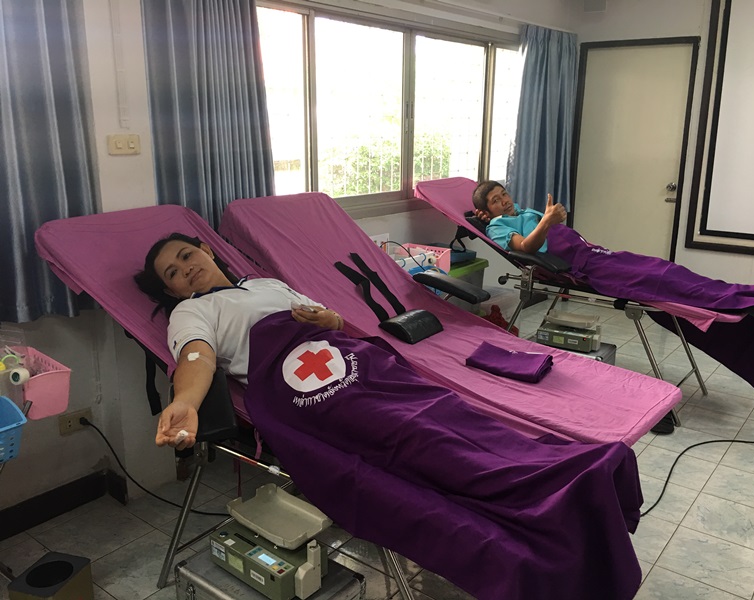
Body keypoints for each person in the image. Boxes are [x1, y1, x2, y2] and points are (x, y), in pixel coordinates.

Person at [134, 232, 644, 600]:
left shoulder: (267, 284)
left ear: (206, 250)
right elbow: (197, 357)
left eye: (186, 255)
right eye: (172, 274)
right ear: (173, 293)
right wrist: (186, 402)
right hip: (312, 389)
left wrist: (327, 317)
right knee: (418, 440)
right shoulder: (192, 312)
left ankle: (565, 477)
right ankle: (549, 511)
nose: (185, 269)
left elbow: (334, 320)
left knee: (452, 416)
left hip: (358, 360)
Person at [471, 180, 567, 253]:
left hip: (568, 239)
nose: (505, 201)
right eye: (496, 200)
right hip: (560, 253)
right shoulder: (496, 228)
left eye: (504, 194)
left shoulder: (518, 211)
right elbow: (525, 246)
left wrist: (555, 216)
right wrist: (546, 221)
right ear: (486, 212)